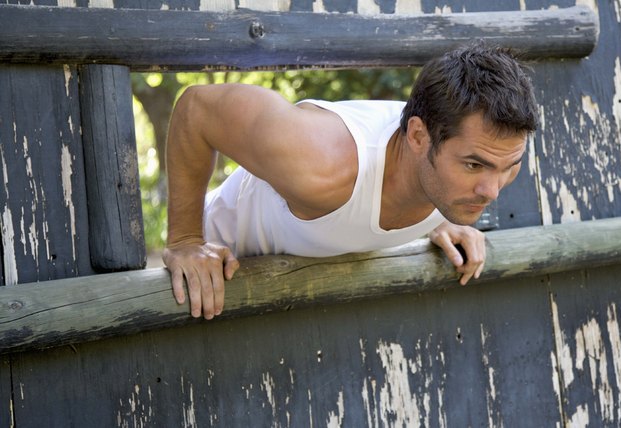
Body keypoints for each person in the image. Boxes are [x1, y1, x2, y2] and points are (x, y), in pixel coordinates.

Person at [162, 44, 539, 320]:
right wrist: (185, 241)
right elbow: (196, 109)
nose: (492, 191)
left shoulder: (449, 174)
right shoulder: (320, 162)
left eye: (508, 166)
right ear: (419, 137)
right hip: (202, 280)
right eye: (474, 166)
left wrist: (441, 221)